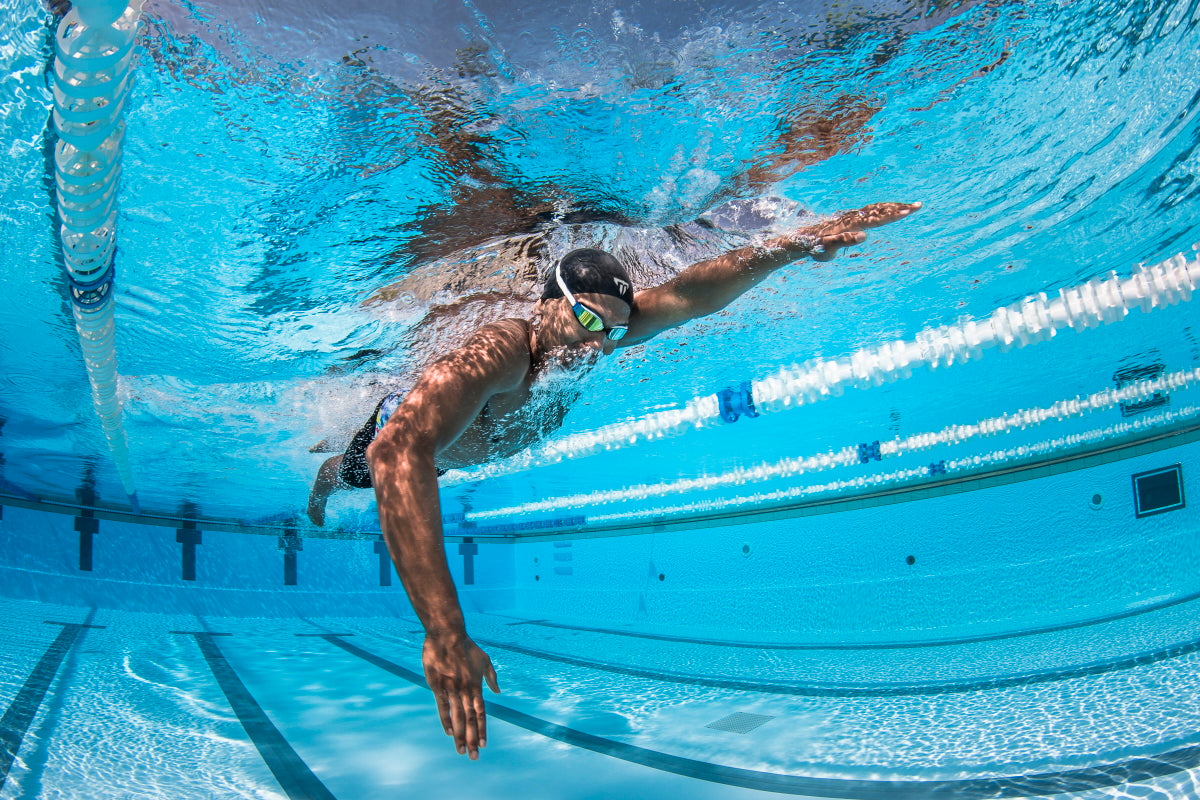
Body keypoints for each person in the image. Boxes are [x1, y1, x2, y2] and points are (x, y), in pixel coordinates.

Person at [307, 199, 920, 759]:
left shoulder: (596, 336)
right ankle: (322, 477)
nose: (595, 345)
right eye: (585, 319)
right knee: (349, 472)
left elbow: (692, 292)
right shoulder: (504, 350)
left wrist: (794, 244)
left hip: (459, 454)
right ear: (546, 303)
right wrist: (444, 631)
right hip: (402, 429)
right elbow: (397, 452)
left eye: (613, 331)